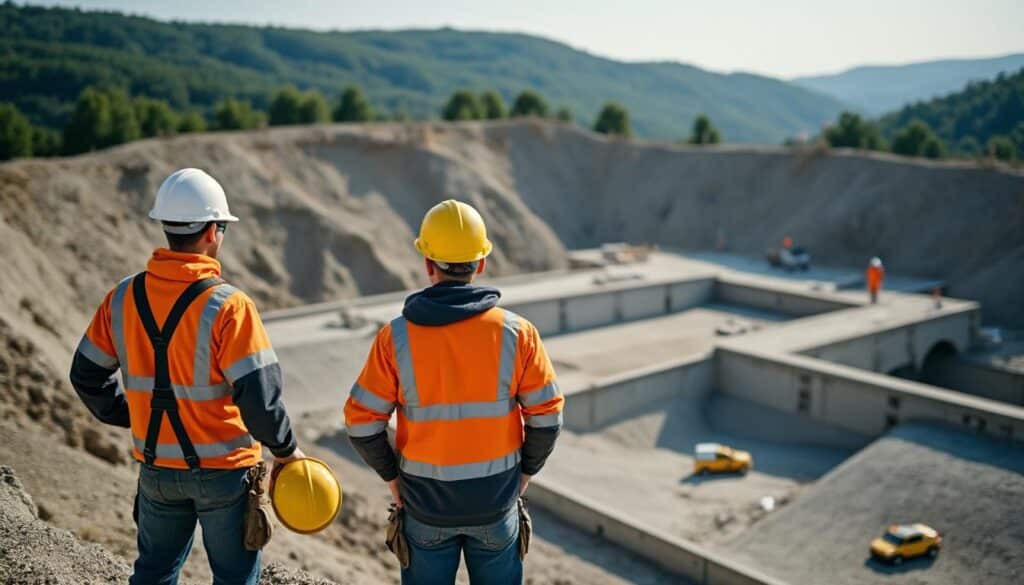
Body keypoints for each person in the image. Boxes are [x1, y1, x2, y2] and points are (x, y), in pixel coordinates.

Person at [69, 168, 304, 584]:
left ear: (167, 227)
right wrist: (286, 450)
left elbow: (86, 375)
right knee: (234, 577)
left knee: (154, 573)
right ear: (213, 231)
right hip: (225, 474)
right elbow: (260, 399)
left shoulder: (122, 297)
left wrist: (134, 414)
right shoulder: (230, 306)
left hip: (157, 469)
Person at [344, 199, 564, 585]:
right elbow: (547, 417)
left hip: (424, 509)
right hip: (496, 506)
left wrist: (393, 479)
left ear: (428, 265)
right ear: (480, 264)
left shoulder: (394, 338)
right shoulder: (518, 334)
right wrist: (525, 475)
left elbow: (362, 423)